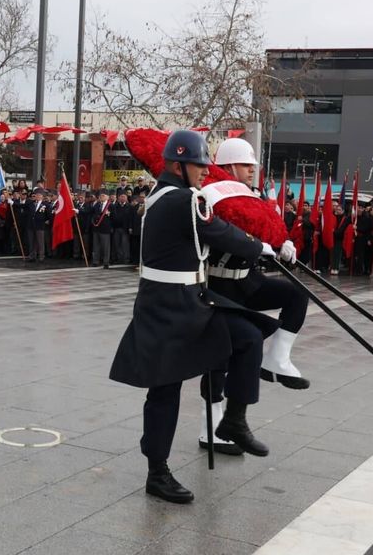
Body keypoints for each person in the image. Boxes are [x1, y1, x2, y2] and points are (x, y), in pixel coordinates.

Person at [109, 130, 278, 505]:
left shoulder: (167, 197)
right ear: (176, 165)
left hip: (189, 300)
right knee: (164, 391)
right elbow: (219, 231)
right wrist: (261, 246)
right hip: (168, 307)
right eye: (199, 165)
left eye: (205, 165)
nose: (205, 172)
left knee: (249, 336)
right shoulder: (183, 200)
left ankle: (233, 420)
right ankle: (158, 472)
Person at [198, 138, 308, 456]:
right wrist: (260, 243)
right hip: (218, 286)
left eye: (252, 166)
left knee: (296, 295)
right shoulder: (214, 197)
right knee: (219, 359)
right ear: (230, 165)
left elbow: (264, 225)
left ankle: (278, 358)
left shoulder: (251, 197)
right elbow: (226, 233)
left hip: (247, 280)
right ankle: (212, 426)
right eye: (247, 165)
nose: (251, 171)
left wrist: (282, 241)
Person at [90, 190, 113, 268]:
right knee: (96, 246)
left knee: (106, 247)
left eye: (103, 195)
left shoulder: (111, 205)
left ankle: (106, 262)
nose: (101, 197)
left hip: (105, 229)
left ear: (107, 197)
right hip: (96, 228)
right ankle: (95, 261)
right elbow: (91, 212)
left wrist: (109, 214)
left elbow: (115, 217)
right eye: (100, 195)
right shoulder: (97, 204)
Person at [26, 189, 50, 262]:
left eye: (39, 195)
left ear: (42, 197)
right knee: (32, 242)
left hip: (40, 225)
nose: (38, 196)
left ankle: (41, 256)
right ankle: (32, 256)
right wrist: (12, 202)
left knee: (40, 242)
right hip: (31, 225)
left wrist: (47, 220)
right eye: (36, 195)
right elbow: (23, 206)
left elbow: (48, 214)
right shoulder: (31, 203)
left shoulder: (45, 204)